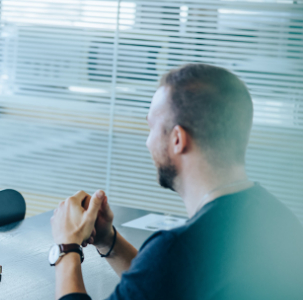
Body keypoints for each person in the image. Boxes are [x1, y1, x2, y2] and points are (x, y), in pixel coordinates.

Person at [49, 64, 303, 300]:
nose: (147, 142)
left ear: (178, 140)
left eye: (151, 128)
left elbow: (171, 267)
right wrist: (108, 239)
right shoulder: (279, 220)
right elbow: (168, 283)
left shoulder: (178, 250)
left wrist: (66, 247)